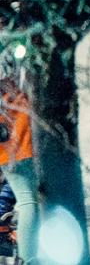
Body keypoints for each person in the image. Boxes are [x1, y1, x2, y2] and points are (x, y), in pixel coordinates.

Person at [0, 77, 34, 264]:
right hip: (19, 143)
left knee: (29, 200)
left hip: (12, 145)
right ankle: (29, 257)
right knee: (29, 202)